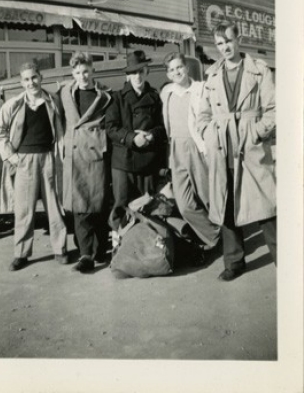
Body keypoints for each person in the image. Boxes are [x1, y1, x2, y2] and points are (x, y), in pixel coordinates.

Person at [197, 21, 276, 281]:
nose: (225, 48)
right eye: (220, 44)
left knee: (267, 205)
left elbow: (274, 109)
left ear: (238, 39)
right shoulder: (212, 75)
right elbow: (203, 114)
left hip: (250, 147)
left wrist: (255, 133)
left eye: (228, 41)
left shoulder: (259, 70)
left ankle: (285, 260)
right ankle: (234, 262)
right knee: (227, 204)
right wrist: (210, 135)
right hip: (222, 148)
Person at [0, 62, 68, 271]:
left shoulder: (52, 101)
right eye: (26, 79)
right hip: (24, 161)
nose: (31, 82)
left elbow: (61, 128)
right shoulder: (14, 105)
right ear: (21, 83)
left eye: (34, 77)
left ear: (40, 77)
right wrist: (11, 157)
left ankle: (60, 249)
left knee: (54, 206)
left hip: (48, 159)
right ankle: (21, 254)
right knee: (24, 210)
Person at [160, 53, 220, 251]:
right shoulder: (167, 93)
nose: (177, 72)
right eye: (172, 69)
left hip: (197, 147)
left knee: (207, 196)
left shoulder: (200, 89)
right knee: (184, 204)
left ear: (186, 68)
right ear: (168, 74)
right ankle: (215, 236)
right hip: (175, 150)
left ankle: (226, 237)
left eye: (179, 67)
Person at [59, 52, 112, 273]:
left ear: (93, 70)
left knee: (97, 205)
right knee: (80, 207)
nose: (83, 76)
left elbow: (111, 124)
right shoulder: (65, 93)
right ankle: (85, 255)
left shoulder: (105, 95)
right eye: (78, 72)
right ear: (73, 73)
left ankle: (99, 249)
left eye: (86, 71)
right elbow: (57, 118)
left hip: (96, 152)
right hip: (74, 154)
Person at [105, 50, 167, 235]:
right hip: (123, 161)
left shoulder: (155, 97)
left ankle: (144, 246)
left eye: (140, 71)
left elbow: (163, 126)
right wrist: (132, 138)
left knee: (146, 203)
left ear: (147, 71)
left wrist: (151, 136)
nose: (137, 76)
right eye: (133, 72)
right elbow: (111, 128)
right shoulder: (117, 98)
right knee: (121, 205)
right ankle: (120, 244)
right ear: (127, 75)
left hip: (148, 161)